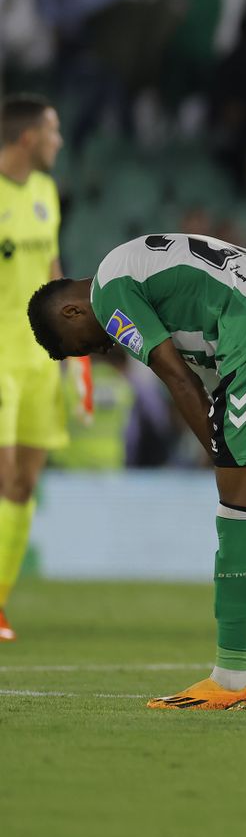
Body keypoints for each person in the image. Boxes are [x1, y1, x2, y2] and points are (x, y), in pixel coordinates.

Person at [28, 232, 246, 710]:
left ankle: (230, 679)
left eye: (79, 348)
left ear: (72, 313)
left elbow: (178, 377)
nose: (99, 352)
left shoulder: (109, 292)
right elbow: (216, 385)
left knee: (238, 509)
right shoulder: (149, 276)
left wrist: (224, 459)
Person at [0, 96, 67, 642]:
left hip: (40, 358)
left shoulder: (46, 192)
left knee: (25, 482)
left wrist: (74, 353)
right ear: (27, 137)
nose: (59, 141)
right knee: (2, 477)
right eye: (52, 131)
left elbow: (53, 272)